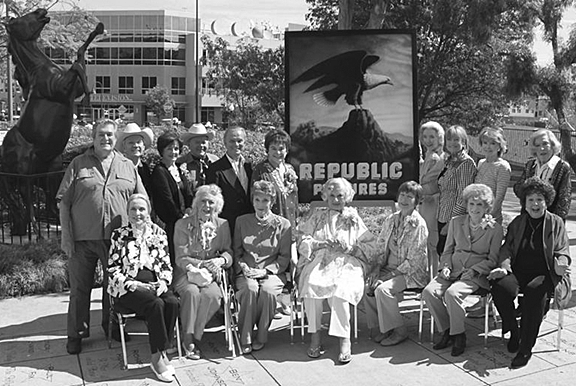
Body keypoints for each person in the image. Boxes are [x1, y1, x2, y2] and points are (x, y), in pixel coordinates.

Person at [57, 119, 146, 355]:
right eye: (101, 135)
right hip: (82, 240)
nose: (105, 139)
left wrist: (138, 235)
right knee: (79, 289)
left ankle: (113, 327)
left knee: (114, 287)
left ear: (115, 139)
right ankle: (76, 333)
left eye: (109, 135)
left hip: (117, 241)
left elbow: (141, 201)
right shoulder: (78, 164)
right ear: (93, 138)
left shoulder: (128, 166)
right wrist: (66, 236)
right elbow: (64, 203)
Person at [488, 177, 571, 369]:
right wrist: (504, 266)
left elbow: (562, 250)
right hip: (518, 270)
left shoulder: (555, 222)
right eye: (531, 200)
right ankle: (514, 331)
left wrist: (561, 263)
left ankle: (526, 347)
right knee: (500, 287)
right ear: (524, 203)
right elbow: (507, 248)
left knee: (535, 293)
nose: (535, 204)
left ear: (546, 202)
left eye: (539, 199)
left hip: (545, 273)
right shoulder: (518, 222)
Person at [297, 178, 377, 364]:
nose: (335, 199)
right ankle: (315, 336)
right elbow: (302, 240)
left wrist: (350, 248)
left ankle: (344, 339)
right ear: (325, 196)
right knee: (311, 286)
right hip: (320, 260)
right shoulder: (316, 216)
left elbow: (371, 245)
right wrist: (321, 243)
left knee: (341, 290)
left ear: (347, 197)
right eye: (331, 195)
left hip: (347, 262)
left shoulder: (353, 218)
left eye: (340, 195)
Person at [422, 183, 502, 357]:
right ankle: (447, 329)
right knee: (429, 292)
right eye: (471, 204)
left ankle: (459, 336)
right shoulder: (455, 222)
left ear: (487, 207)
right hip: (453, 269)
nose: (474, 208)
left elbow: (493, 259)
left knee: (452, 294)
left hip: (475, 274)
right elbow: (448, 249)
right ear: (466, 205)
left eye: (479, 204)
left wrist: (475, 270)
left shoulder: (495, 229)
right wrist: (445, 267)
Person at [107, 194, 178, 383]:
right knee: (156, 305)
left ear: (148, 212)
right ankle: (156, 359)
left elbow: (165, 265)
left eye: (142, 209)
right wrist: (134, 284)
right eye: (133, 209)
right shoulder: (119, 235)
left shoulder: (159, 234)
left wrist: (163, 282)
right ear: (128, 212)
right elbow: (112, 269)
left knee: (171, 302)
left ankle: (163, 350)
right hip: (128, 288)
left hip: (154, 283)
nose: (138, 213)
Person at [365, 181, 429, 346]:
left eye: (410, 196)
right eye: (402, 195)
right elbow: (380, 248)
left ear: (417, 201)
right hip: (388, 268)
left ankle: (400, 331)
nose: (405, 199)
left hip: (410, 273)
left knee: (383, 289)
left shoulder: (418, 224)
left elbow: (415, 260)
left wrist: (387, 276)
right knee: (368, 285)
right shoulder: (390, 219)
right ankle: (382, 328)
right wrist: (376, 270)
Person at [172, 184, 232, 360]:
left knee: (213, 295)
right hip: (186, 273)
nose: (207, 206)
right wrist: (205, 264)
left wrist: (222, 260)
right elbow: (181, 258)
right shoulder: (182, 224)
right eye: (203, 201)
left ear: (217, 206)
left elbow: (228, 251)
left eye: (211, 202)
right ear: (197, 203)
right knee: (191, 293)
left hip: (210, 276)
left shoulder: (222, 225)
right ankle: (188, 339)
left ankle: (192, 333)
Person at [234, 180, 291, 354]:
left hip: (272, 272)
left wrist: (266, 271)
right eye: (257, 200)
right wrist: (243, 267)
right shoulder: (241, 221)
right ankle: (245, 336)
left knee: (267, 290)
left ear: (272, 202)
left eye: (265, 200)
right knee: (250, 288)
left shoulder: (283, 224)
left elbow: (284, 257)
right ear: (252, 200)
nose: (260, 205)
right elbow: (236, 251)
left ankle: (262, 335)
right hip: (247, 271)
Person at [151, 131, 193, 265]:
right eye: (169, 149)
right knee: (172, 255)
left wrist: (189, 210)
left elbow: (188, 194)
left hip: (184, 220)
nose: (173, 152)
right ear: (161, 150)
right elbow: (166, 199)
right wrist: (180, 217)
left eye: (176, 149)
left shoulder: (179, 170)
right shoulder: (159, 171)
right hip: (170, 222)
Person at [513, 129, 572, 220]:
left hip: (551, 220)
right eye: (537, 145)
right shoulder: (530, 165)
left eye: (545, 144)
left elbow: (564, 200)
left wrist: (556, 223)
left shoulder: (562, 167)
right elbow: (518, 189)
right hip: (528, 217)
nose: (541, 148)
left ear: (552, 145)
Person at [437, 125, 477, 255]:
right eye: (449, 139)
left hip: (453, 220)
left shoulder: (466, 163)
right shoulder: (449, 161)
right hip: (442, 215)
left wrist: (452, 223)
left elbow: (463, 196)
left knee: (449, 255)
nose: (452, 143)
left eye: (456, 139)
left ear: (464, 142)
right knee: (441, 253)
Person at [206, 126, 253, 233]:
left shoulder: (250, 166)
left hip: (249, 225)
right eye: (232, 141)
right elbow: (212, 201)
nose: (236, 144)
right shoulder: (216, 169)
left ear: (245, 142)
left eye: (239, 141)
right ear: (225, 143)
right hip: (227, 226)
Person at [251, 128, 298, 229]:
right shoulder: (260, 170)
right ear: (267, 150)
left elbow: (294, 201)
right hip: (270, 228)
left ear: (287, 150)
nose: (277, 152)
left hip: (291, 226)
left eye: (281, 149)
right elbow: (255, 202)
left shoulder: (290, 169)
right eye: (273, 148)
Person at [419, 121, 445, 274]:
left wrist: (418, 191)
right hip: (425, 203)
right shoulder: (428, 155)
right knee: (428, 242)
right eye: (425, 136)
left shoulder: (436, 158)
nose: (428, 140)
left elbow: (433, 184)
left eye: (432, 137)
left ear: (439, 138)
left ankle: (434, 278)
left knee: (432, 243)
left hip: (433, 203)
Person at [474, 127, 511, 224]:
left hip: (490, 219)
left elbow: (499, 198)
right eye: (485, 143)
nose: (488, 146)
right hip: (475, 213)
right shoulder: (481, 163)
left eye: (493, 143)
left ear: (500, 146)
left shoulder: (503, 166)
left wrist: (487, 218)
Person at [177, 123, 218, 193]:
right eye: (197, 142)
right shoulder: (180, 163)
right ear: (189, 144)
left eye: (203, 142)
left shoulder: (216, 161)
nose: (201, 145)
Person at [116, 123, 155, 196]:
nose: (136, 146)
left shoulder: (145, 168)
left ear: (143, 146)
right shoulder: (118, 168)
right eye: (131, 143)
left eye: (138, 142)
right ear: (124, 147)